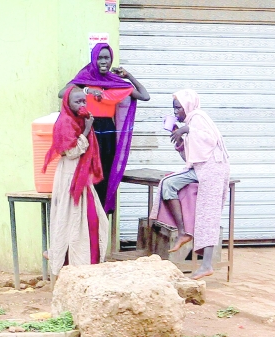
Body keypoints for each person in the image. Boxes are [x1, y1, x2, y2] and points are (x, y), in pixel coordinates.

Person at [59, 43, 149, 213]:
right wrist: (88, 91)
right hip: (89, 128)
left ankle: (102, 215)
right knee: (89, 172)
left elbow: (145, 96)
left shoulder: (115, 82)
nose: (103, 61)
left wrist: (128, 75)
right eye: (99, 57)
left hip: (108, 132)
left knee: (106, 172)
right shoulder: (85, 76)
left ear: (111, 60)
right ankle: (86, 214)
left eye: (107, 58)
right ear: (94, 59)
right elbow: (62, 92)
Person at [156, 89, 230, 280]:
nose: (176, 113)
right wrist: (180, 139)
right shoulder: (189, 123)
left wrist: (187, 130)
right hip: (199, 169)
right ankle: (183, 232)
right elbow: (190, 156)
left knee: (208, 214)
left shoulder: (198, 117)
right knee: (168, 185)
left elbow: (210, 140)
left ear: (188, 106)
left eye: (178, 108)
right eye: (174, 109)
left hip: (214, 169)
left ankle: (206, 265)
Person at [42, 87, 109, 278]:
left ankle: (86, 265)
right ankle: (68, 264)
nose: (81, 105)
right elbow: (71, 152)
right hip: (70, 176)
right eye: (77, 102)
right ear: (67, 104)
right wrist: (87, 129)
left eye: (83, 101)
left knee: (91, 221)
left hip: (82, 176)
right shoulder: (64, 122)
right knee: (71, 220)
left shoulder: (81, 120)